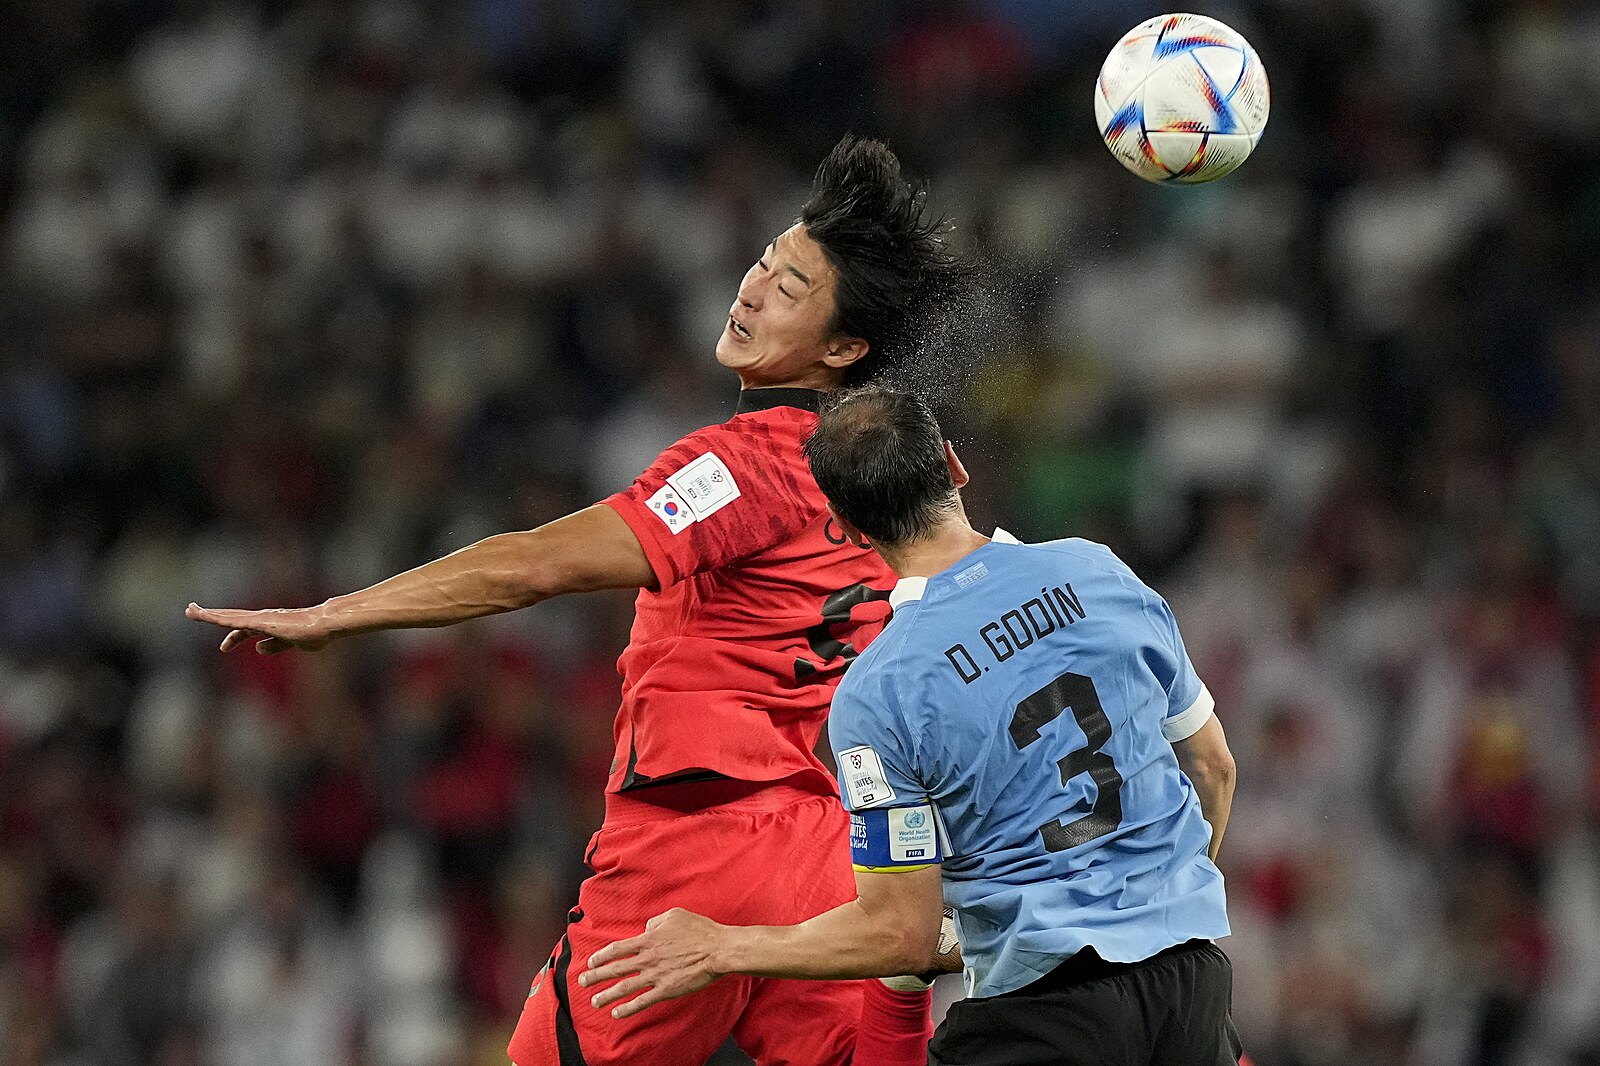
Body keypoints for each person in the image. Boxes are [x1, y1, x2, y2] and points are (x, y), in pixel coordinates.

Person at [185, 139, 971, 1066]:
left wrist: (339, 614)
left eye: (790, 287)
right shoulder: (912, 475)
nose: (753, 289)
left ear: (843, 348)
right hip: (829, 856)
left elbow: (535, 565)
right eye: (764, 262)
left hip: (696, 849)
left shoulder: (744, 464)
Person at [579, 386, 1244, 1066]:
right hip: (1189, 988)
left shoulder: (880, 692)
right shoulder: (1098, 570)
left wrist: (721, 947)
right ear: (954, 465)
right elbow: (1214, 767)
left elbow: (900, 933)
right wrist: (1154, 912)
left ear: (849, 526)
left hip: (1046, 1012)